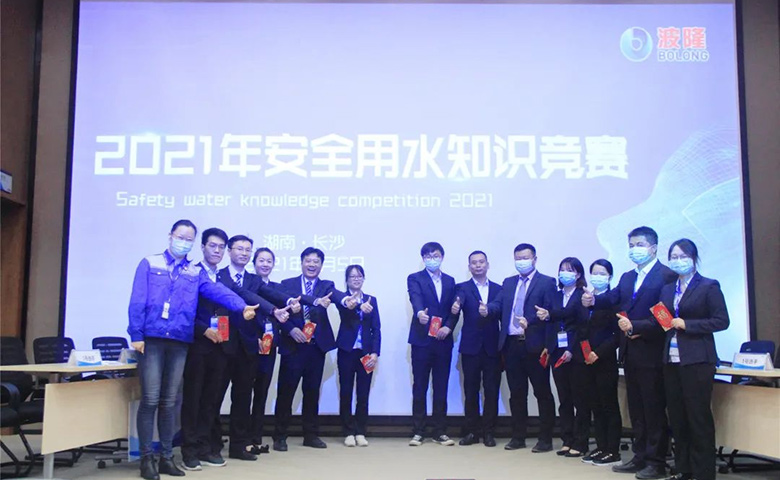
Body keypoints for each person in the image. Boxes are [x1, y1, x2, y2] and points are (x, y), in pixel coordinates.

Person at [127, 220, 258, 480]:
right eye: (181, 237)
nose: (183, 242)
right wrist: (136, 334)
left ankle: (166, 458)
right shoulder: (150, 263)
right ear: (171, 236)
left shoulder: (193, 271)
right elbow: (138, 299)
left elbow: (216, 291)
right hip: (152, 339)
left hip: (179, 340)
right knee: (151, 400)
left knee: (169, 402)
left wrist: (240, 305)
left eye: (188, 239)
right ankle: (146, 459)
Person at [582, 226, 676, 479]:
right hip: (630, 353)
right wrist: (593, 301)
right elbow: (613, 298)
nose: (634, 250)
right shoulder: (627, 277)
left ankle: (656, 461)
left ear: (653, 248)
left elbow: (666, 317)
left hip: (653, 351)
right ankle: (640, 456)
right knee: (637, 409)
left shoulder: (666, 275)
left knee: (653, 408)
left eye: (639, 245)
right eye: (631, 245)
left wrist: (638, 327)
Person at [215, 235, 292, 461]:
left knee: (242, 397)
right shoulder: (218, 276)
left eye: (247, 250)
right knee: (215, 396)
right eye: (240, 248)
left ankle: (239, 445)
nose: (244, 253)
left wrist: (287, 303)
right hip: (221, 344)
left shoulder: (253, 279)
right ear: (229, 251)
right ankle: (211, 442)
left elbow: (270, 294)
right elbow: (238, 296)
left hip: (248, 345)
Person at [660, 239, 729, 480]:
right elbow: (664, 320)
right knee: (677, 418)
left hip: (698, 360)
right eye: (674, 257)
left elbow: (721, 321)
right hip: (672, 360)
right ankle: (684, 469)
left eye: (683, 256)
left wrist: (688, 324)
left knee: (698, 418)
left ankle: (703, 473)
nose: (678, 261)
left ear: (694, 258)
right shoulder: (667, 289)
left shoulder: (708, 286)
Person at [487, 243, 556, 453]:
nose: (521, 262)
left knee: (542, 392)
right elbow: (499, 305)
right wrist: (487, 309)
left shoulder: (547, 282)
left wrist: (545, 340)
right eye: (518, 258)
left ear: (534, 259)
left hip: (535, 346)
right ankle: (518, 436)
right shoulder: (508, 283)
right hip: (511, 345)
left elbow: (551, 313)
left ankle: (545, 438)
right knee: (516, 393)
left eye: (525, 258)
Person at [273, 247, 343, 451]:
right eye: (308, 261)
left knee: (312, 392)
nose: (312, 265)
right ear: (302, 262)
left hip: (315, 347)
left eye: (316, 261)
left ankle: (311, 435)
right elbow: (281, 312)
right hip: (293, 345)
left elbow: (337, 296)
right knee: (286, 392)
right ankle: (280, 436)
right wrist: (291, 329)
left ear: (321, 265)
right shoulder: (287, 284)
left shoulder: (326, 285)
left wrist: (346, 300)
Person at [180, 227, 232, 470]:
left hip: (220, 346)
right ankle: (189, 450)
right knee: (193, 399)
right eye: (213, 246)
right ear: (202, 247)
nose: (217, 251)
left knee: (211, 400)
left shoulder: (224, 277)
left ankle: (205, 447)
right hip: (198, 345)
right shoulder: (191, 273)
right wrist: (203, 330)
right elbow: (184, 310)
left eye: (221, 247)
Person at [535, 257, 590, 458]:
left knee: (580, 398)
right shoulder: (555, 294)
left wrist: (572, 350)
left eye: (569, 270)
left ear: (578, 274)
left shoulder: (583, 296)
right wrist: (548, 346)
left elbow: (582, 326)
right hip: (556, 351)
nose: (564, 273)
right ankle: (567, 439)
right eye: (562, 269)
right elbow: (550, 324)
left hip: (575, 352)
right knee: (564, 397)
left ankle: (581, 441)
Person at [249, 247, 300, 453]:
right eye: (261, 260)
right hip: (248, 344)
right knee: (243, 392)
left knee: (262, 392)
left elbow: (286, 313)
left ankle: (256, 436)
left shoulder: (277, 288)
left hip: (269, 346)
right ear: (254, 263)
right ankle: (241, 436)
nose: (265, 264)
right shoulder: (248, 284)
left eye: (269, 261)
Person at [407, 242, 457, 447]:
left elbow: (454, 309)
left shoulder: (450, 281)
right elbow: (415, 298)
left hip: (443, 340)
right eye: (427, 256)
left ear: (442, 257)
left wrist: (449, 327)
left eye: (435, 255)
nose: (432, 259)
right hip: (421, 340)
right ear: (423, 259)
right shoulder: (415, 278)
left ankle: (440, 431)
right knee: (420, 387)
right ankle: (418, 431)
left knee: (441, 386)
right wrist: (420, 313)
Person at [450, 250, 502, 447]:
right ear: (469, 266)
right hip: (470, 347)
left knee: (491, 391)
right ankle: (472, 431)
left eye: (481, 262)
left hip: (492, 347)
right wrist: (455, 307)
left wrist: (489, 310)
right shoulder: (462, 288)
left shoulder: (499, 289)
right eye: (474, 263)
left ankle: (489, 432)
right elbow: (457, 303)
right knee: (470, 391)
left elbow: (501, 312)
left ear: (487, 265)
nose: (478, 265)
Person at [580, 259, 623, 467]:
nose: (597, 277)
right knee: (595, 405)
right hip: (588, 360)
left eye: (602, 273)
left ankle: (612, 450)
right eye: (594, 273)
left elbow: (617, 335)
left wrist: (598, 353)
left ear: (610, 277)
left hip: (605, 359)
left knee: (608, 405)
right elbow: (581, 329)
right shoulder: (586, 299)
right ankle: (601, 445)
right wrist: (586, 353)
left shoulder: (614, 300)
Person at [335, 265, 381, 447]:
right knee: (346, 392)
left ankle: (361, 431)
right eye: (352, 276)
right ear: (347, 280)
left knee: (363, 393)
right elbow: (346, 312)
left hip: (366, 353)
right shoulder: (342, 299)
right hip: (347, 351)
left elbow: (376, 328)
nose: (356, 279)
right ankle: (347, 432)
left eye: (359, 276)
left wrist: (375, 352)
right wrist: (356, 305)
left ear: (363, 278)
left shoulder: (372, 300)